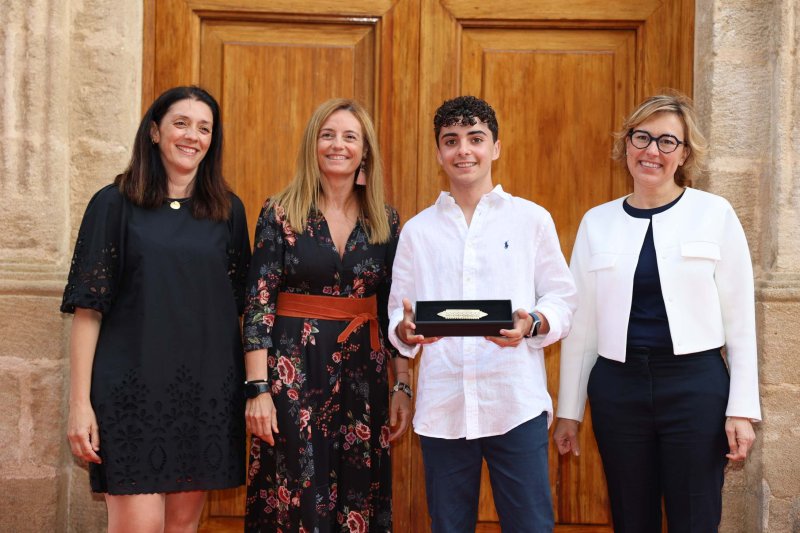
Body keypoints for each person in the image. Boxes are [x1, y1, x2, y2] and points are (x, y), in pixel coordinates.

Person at [553, 92, 761, 532]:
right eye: (641, 137)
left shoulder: (714, 214)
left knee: (695, 518)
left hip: (695, 388)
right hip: (618, 389)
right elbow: (581, 325)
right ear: (626, 144)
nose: (652, 151)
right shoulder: (597, 222)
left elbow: (741, 322)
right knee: (631, 518)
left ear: (684, 153)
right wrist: (568, 410)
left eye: (668, 142)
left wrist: (741, 408)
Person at [62, 86, 251, 532]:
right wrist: (79, 406)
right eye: (180, 123)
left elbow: (241, 306)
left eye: (204, 128)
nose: (192, 136)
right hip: (131, 397)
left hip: (206, 395)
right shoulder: (113, 204)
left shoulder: (228, 211)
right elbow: (89, 310)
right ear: (154, 131)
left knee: (182, 528)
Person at [387, 95, 577, 532]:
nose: (463, 150)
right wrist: (406, 328)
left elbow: (562, 299)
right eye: (451, 141)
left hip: (514, 403)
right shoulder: (417, 231)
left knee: (530, 525)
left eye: (475, 138)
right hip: (444, 407)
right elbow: (399, 313)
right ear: (439, 153)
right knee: (449, 526)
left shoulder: (532, 220)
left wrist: (532, 324)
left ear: (495, 147)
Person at [242, 98, 411, 532]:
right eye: (328, 134)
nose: (338, 145)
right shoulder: (279, 212)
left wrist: (402, 386)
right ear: (312, 145)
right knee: (294, 494)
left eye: (350, 136)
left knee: (359, 491)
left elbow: (394, 311)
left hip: (363, 375)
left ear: (365, 150)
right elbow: (258, 304)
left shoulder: (386, 221)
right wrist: (258, 390)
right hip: (292, 372)